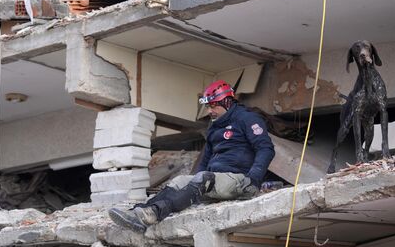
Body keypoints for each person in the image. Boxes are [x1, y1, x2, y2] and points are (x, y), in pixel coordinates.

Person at [109, 80, 275, 233]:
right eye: (208, 106)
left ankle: (153, 213)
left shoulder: (247, 118)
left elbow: (266, 149)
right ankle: (137, 214)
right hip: (216, 181)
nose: (209, 111)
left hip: (239, 180)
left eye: (213, 106)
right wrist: (191, 185)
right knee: (179, 182)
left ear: (226, 102)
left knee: (203, 178)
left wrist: (253, 179)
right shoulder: (214, 127)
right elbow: (206, 158)